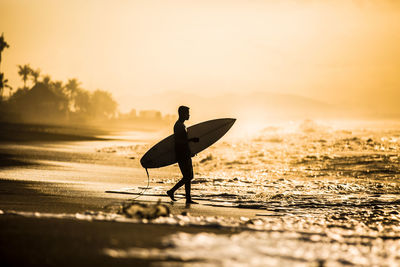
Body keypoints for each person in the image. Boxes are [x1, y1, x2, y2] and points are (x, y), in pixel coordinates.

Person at [167, 106, 199, 204]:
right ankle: (171, 191)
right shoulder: (179, 126)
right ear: (182, 114)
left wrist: (190, 152)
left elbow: (183, 142)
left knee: (189, 176)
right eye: (187, 113)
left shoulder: (182, 125)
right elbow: (179, 142)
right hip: (182, 154)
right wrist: (192, 140)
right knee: (188, 177)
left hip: (185, 153)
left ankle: (188, 199)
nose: (189, 115)